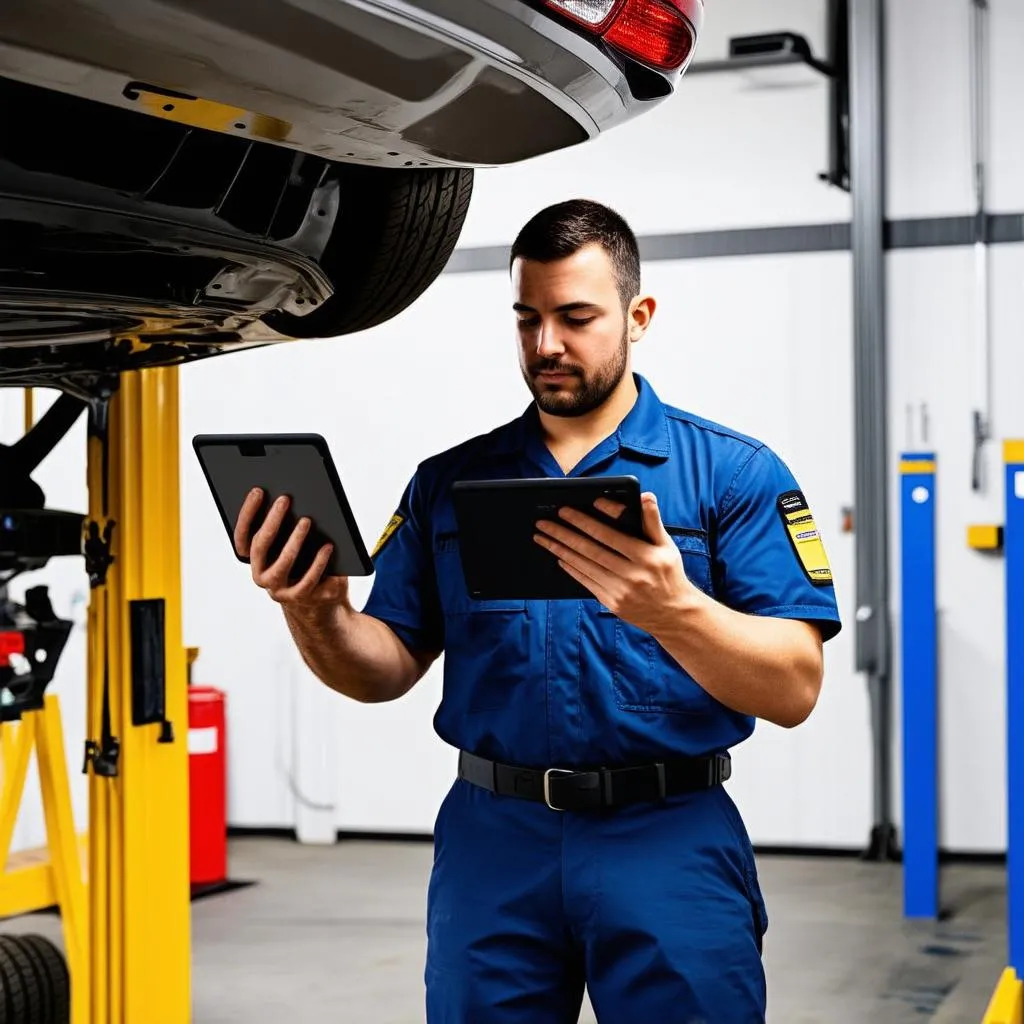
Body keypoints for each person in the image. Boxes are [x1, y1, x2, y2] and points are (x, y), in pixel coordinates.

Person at [234, 199, 842, 1024]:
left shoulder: (733, 475)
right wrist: (316, 610)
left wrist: (673, 611)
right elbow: (381, 671)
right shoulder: (449, 484)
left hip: (668, 836)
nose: (547, 345)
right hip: (494, 844)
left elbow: (796, 689)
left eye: (576, 317)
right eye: (528, 318)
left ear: (639, 316)